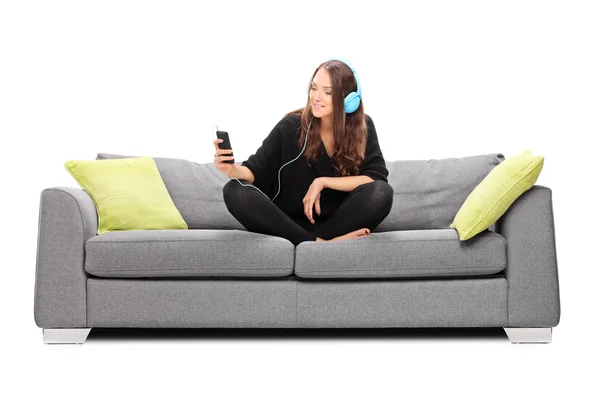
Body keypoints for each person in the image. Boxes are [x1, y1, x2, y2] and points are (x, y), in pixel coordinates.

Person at [213, 59, 393, 246]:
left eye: (328, 92)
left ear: (348, 100)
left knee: (381, 193)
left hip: (338, 222)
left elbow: (375, 178)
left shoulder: (362, 127)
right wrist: (231, 170)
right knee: (234, 190)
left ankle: (315, 241)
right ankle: (319, 244)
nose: (316, 97)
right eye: (313, 88)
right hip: (289, 225)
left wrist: (322, 182)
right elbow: (255, 171)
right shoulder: (290, 127)